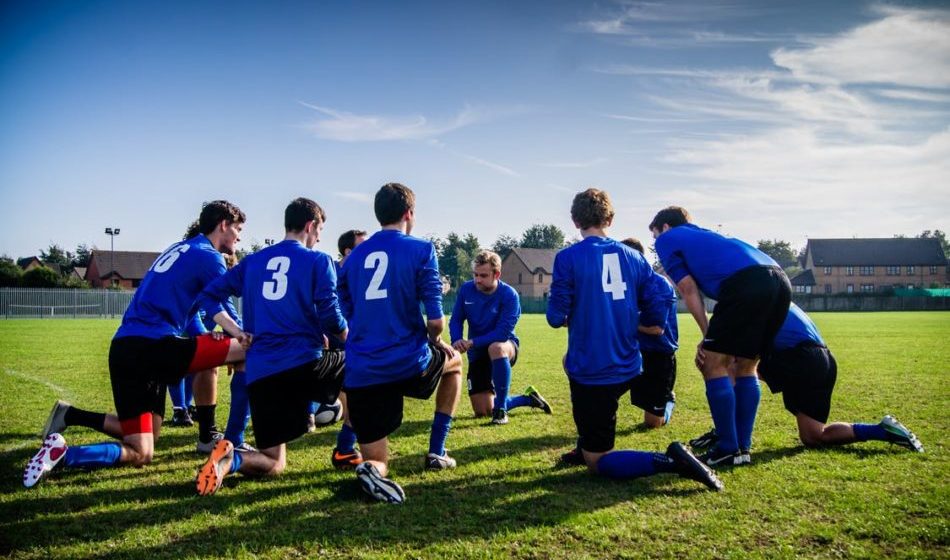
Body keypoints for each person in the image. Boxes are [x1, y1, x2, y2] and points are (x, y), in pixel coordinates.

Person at [25, 201, 248, 488]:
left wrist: (212, 338)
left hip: (125, 349)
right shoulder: (209, 257)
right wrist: (242, 336)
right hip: (152, 347)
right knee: (248, 349)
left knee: (142, 449)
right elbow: (222, 304)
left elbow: (188, 315)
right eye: (238, 229)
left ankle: (63, 450)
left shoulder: (179, 250)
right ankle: (224, 440)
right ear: (223, 224)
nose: (239, 237)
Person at [547, 189, 722, 492]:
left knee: (598, 461)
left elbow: (554, 316)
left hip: (593, 370)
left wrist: (566, 313)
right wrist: (650, 322)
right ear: (610, 219)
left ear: (575, 221)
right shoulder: (634, 257)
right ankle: (587, 438)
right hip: (630, 363)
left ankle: (671, 461)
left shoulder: (567, 258)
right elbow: (663, 292)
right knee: (577, 376)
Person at [193, 197, 348, 496]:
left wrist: (236, 331)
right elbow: (330, 314)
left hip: (262, 373)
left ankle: (230, 459)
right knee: (362, 370)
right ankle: (349, 448)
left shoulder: (253, 262)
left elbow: (208, 297)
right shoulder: (319, 260)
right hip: (304, 365)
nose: (319, 238)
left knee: (274, 462)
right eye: (320, 230)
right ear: (309, 225)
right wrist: (351, 339)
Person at [340, 182, 463, 504]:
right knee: (455, 364)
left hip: (363, 369)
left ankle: (371, 470)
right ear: (409, 213)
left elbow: (345, 312)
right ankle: (437, 451)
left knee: (378, 459)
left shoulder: (352, 259)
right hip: (407, 362)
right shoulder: (422, 249)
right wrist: (436, 341)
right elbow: (436, 321)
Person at [650, 206, 791, 467]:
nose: (656, 242)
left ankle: (727, 446)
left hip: (746, 283)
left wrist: (707, 334)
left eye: (655, 235)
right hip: (779, 279)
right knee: (746, 366)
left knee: (712, 363)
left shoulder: (668, 238)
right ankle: (742, 448)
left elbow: (688, 289)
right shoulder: (703, 236)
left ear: (665, 227)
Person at [690, 304, 924, 453]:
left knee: (729, 368)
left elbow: (737, 351)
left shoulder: (751, 298)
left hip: (799, 357)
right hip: (823, 360)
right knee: (814, 436)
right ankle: (880, 430)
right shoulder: (773, 293)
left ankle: (726, 434)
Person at [449, 249, 552, 425]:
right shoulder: (467, 289)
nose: (477, 280)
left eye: (483, 275)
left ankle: (501, 411)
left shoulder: (509, 295)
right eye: (475, 274)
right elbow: (456, 319)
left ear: (497, 274)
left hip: (505, 348)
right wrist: (457, 340)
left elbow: (502, 333)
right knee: (483, 411)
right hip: (477, 353)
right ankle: (528, 399)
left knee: (496, 347)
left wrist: (472, 342)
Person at [620, 238, 678, 428]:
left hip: (658, 354)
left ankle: (668, 401)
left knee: (652, 423)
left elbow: (655, 329)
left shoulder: (658, 286)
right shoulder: (624, 284)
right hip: (632, 351)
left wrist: (624, 323)